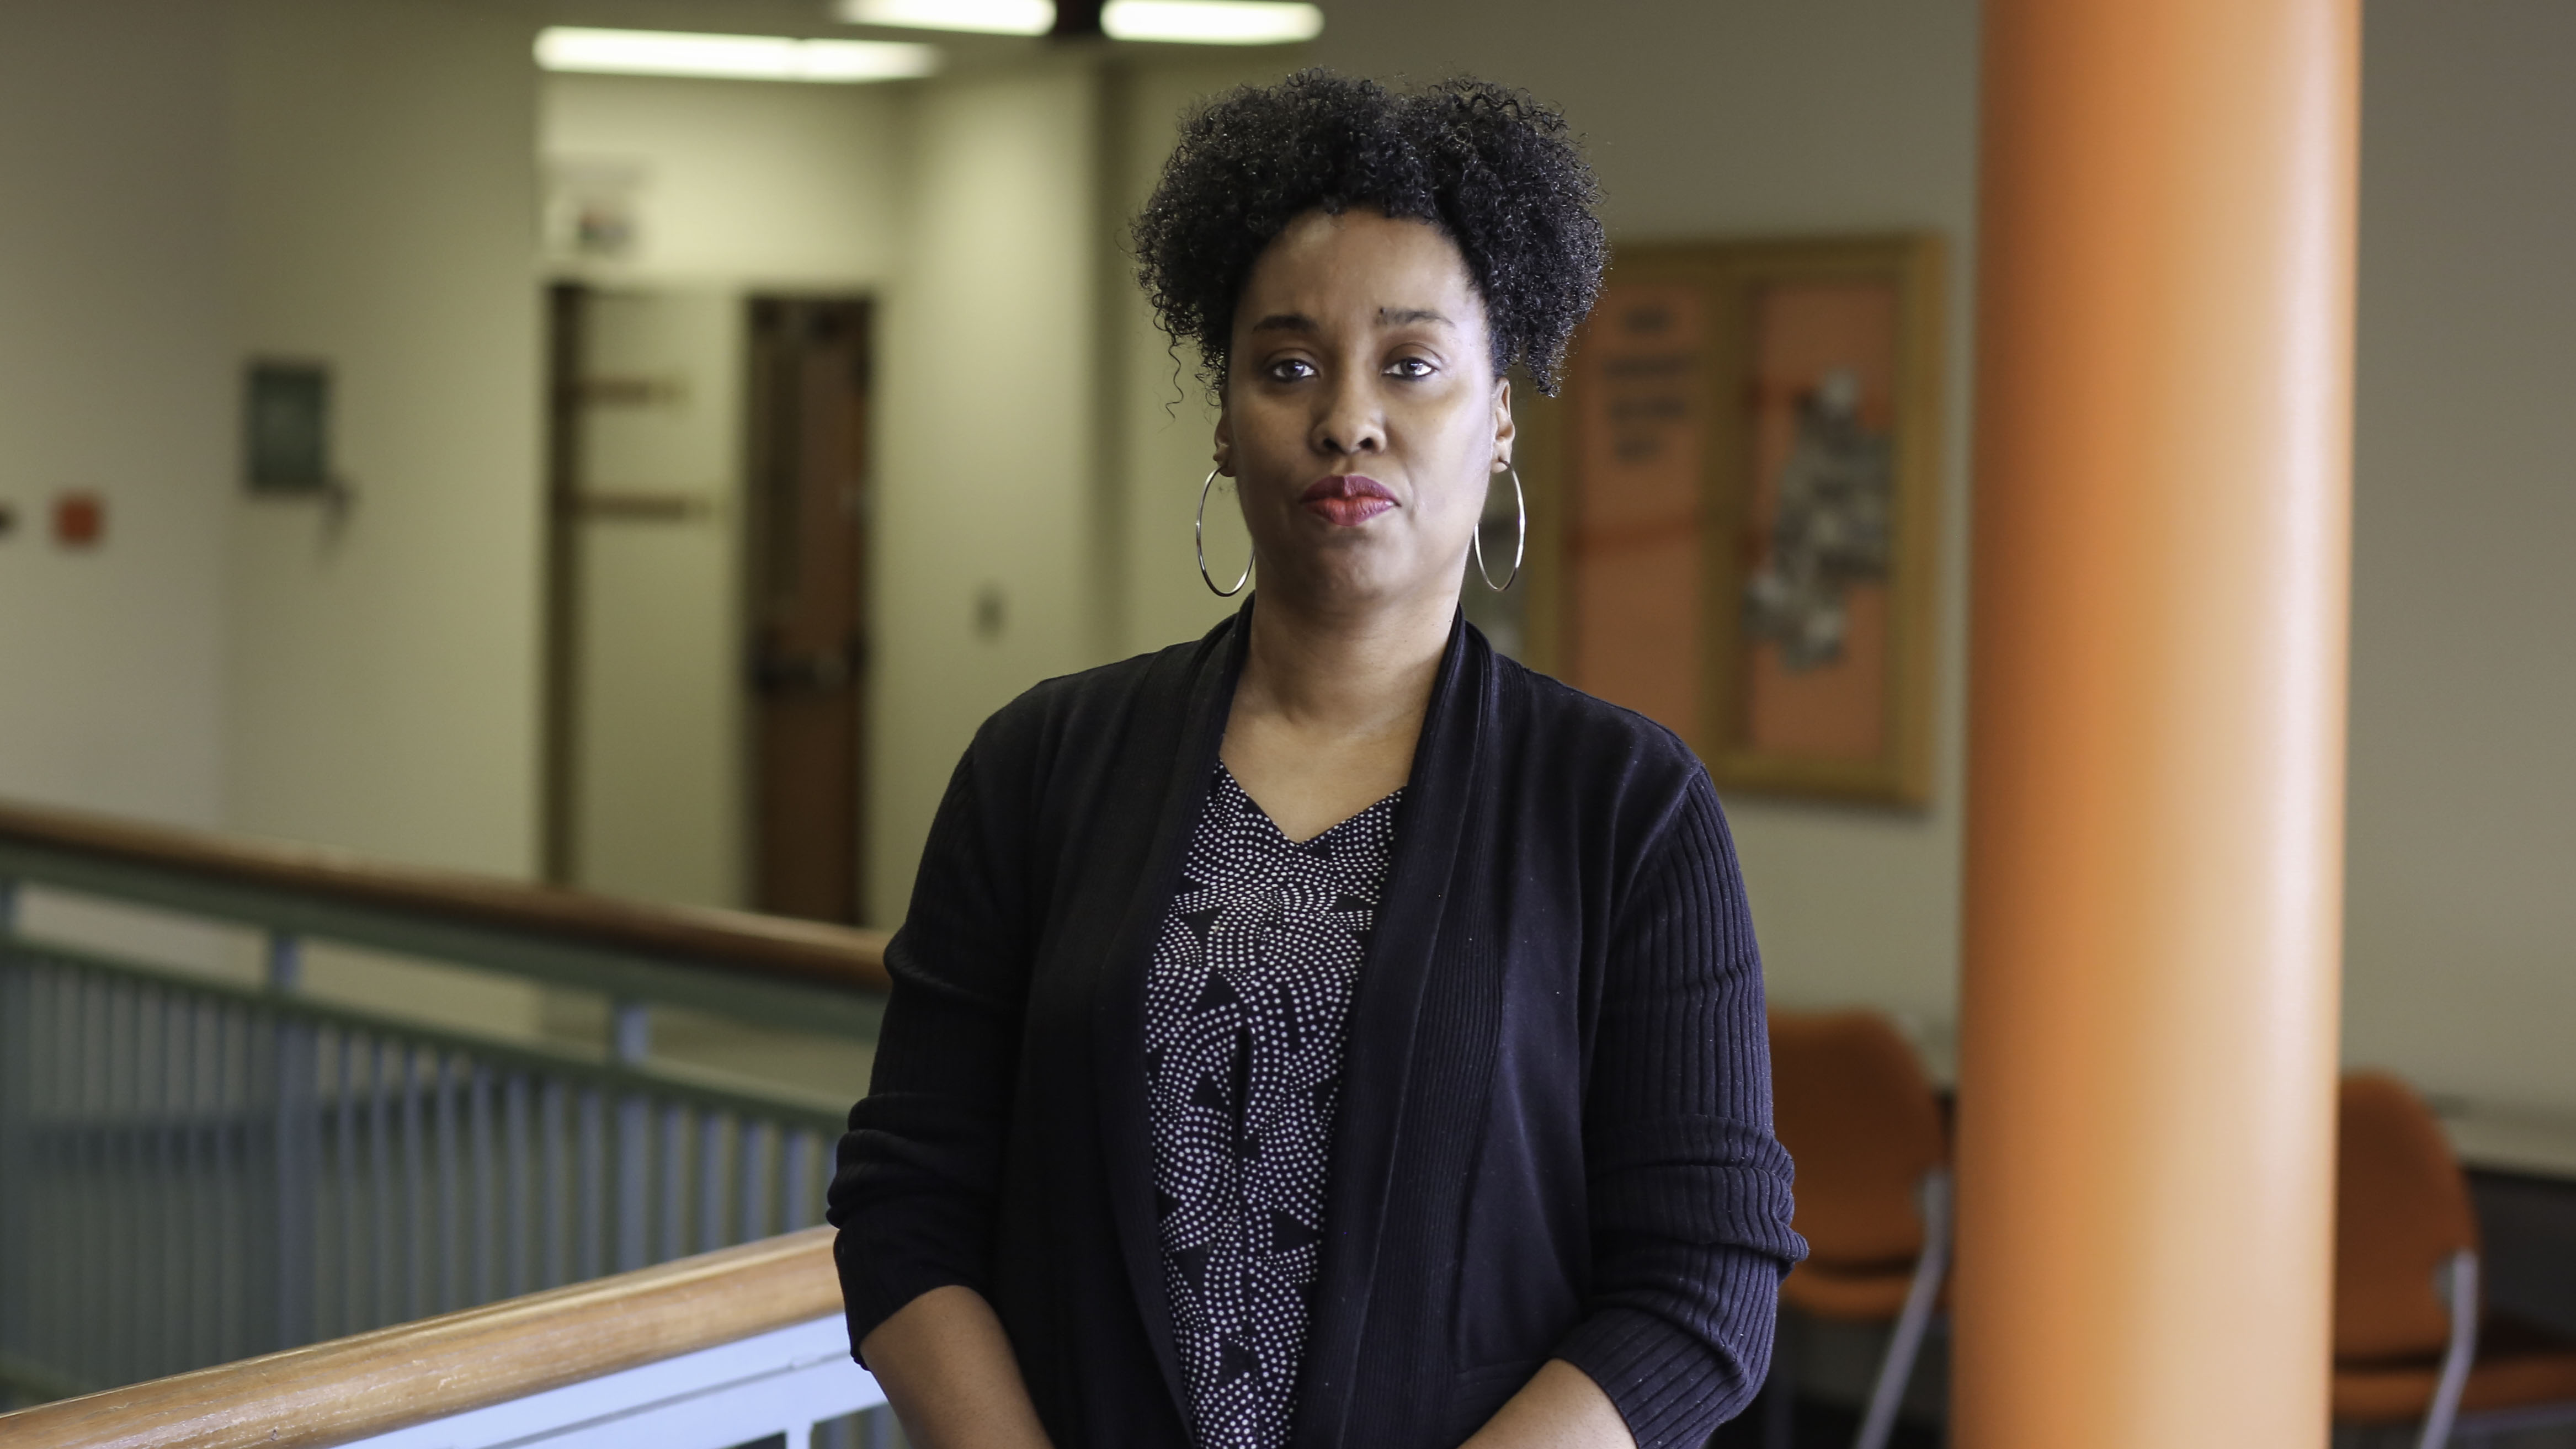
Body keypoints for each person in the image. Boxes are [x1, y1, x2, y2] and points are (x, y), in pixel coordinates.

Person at [827, 69, 1803, 1449]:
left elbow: (1705, 1282)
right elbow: (906, 1203)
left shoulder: (1626, 806)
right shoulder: (1039, 765)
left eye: (1411, 363)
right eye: (1288, 365)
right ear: (1225, 419)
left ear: (1503, 414)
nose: (1348, 416)